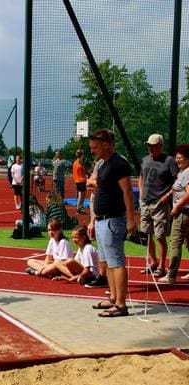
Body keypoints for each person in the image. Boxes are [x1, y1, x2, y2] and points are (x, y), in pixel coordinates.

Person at [88, 128, 136, 317]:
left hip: (113, 220)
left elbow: (127, 192)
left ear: (106, 145)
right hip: (101, 220)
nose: (92, 150)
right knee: (107, 262)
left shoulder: (119, 164)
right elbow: (101, 191)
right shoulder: (103, 165)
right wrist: (93, 219)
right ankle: (114, 298)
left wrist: (131, 220)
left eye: (95, 147)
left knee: (116, 262)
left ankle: (121, 305)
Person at [138, 133, 178, 277]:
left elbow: (178, 181)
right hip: (145, 203)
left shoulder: (169, 161)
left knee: (160, 236)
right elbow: (141, 177)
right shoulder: (145, 159)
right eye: (149, 146)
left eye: (154, 146)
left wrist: (167, 196)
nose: (150, 149)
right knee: (146, 235)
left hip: (159, 204)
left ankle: (162, 266)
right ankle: (153, 262)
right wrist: (141, 194)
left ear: (160, 146)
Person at [159, 144, 189, 284]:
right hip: (185, 211)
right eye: (176, 157)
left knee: (175, 242)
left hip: (184, 212)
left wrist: (177, 207)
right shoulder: (183, 172)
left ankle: (171, 275)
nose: (177, 160)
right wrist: (168, 195)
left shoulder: (187, 173)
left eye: (180, 158)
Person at [84, 159, 109, 289]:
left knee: (110, 253)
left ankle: (110, 280)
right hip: (98, 218)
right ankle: (102, 276)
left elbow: (97, 184)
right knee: (101, 250)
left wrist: (92, 222)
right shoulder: (94, 195)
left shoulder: (116, 163)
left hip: (108, 219)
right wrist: (92, 222)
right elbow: (89, 184)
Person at [72, 149, 87, 214]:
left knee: (83, 195)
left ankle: (80, 207)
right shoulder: (77, 163)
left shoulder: (78, 162)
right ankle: (78, 208)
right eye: (83, 154)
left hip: (80, 180)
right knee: (81, 195)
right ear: (81, 155)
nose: (84, 156)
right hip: (80, 180)